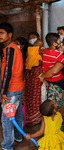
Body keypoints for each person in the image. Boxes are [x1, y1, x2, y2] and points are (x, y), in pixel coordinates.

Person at [0, 22, 24, 150]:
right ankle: (18, 136)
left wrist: (3, 92)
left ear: (10, 35)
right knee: (18, 112)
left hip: (11, 89)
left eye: (2, 33)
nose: (0, 35)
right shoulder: (13, 48)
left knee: (6, 118)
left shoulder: (10, 48)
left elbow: (8, 72)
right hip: (17, 86)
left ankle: (7, 146)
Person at [24, 32, 44, 126]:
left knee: (36, 95)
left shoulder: (42, 51)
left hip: (37, 75)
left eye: (34, 37)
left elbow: (40, 62)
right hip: (29, 76)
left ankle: (36, 118)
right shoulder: (29, 50)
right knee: (29, 95)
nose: (32, 39)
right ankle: (29, 118)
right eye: (30, 37)